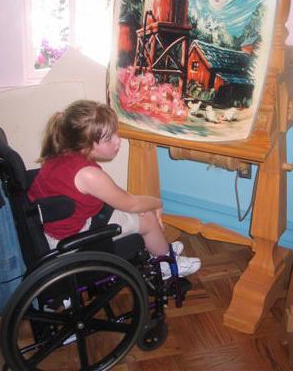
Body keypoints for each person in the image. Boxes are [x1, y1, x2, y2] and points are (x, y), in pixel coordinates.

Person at [28, 99, 201, 278]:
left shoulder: (61, 154)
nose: (118, 140)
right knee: (148, 219)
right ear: (85, 144)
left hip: (58, 228)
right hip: (68, 241)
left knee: (140, 210)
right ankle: (167, 265)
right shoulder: (88, 174)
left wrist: (142, 204)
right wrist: (157, 202)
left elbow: (118, 197)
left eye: (115, 132)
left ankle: (160, 247)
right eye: (108, 138)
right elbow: (131, 204)